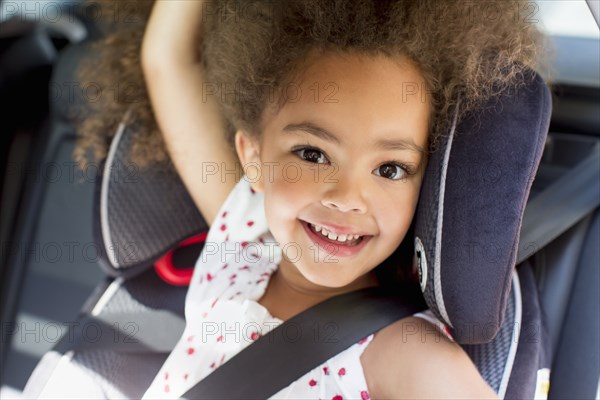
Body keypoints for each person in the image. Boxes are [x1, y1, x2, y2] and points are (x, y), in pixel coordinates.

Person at [67, 0, 543, 398]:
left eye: (390, 169)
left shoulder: (406, 354)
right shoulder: (244, 243)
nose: (348, 197)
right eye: (313, 154)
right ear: (253, 158)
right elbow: (168, 61)